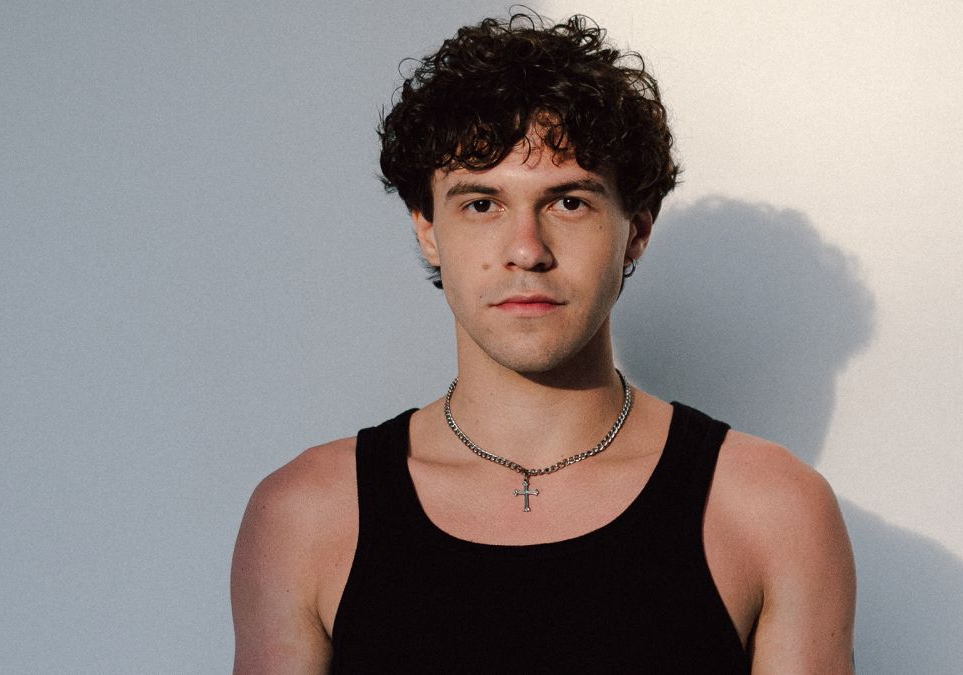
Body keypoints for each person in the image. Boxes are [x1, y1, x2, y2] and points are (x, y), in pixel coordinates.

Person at [231, 11, 855, 673]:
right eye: (482, 204)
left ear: (637, 231)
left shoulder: (771, 511)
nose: (526, 250)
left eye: (569, 202)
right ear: (428, 230)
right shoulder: (307, 517)